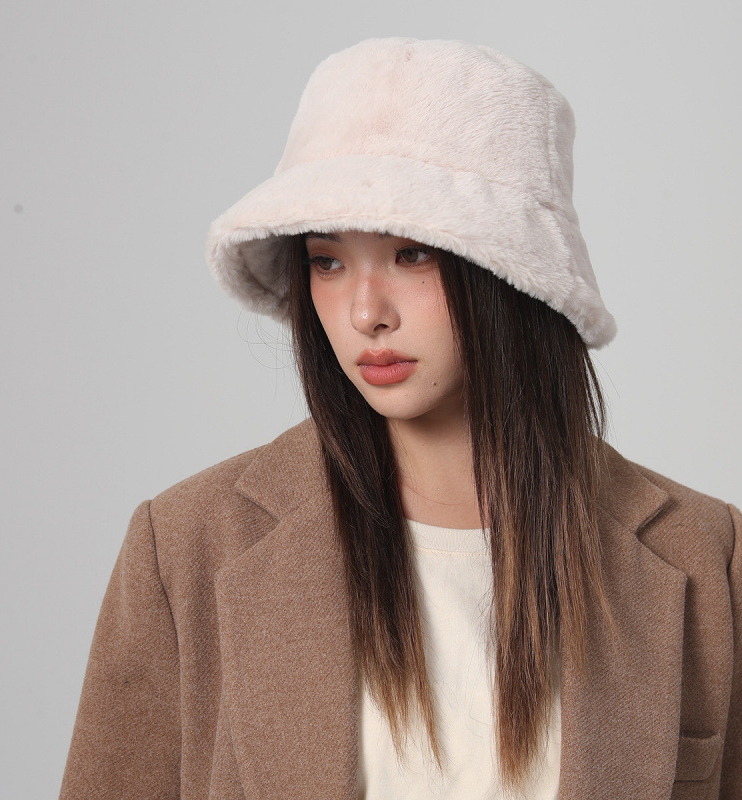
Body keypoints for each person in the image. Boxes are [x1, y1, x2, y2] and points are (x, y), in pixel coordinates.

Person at [59, 37, 740, 800]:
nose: (364, 313)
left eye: (413, 254)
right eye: (327, 261)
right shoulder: (188, 546)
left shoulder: (707, 555)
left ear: (513, 276)